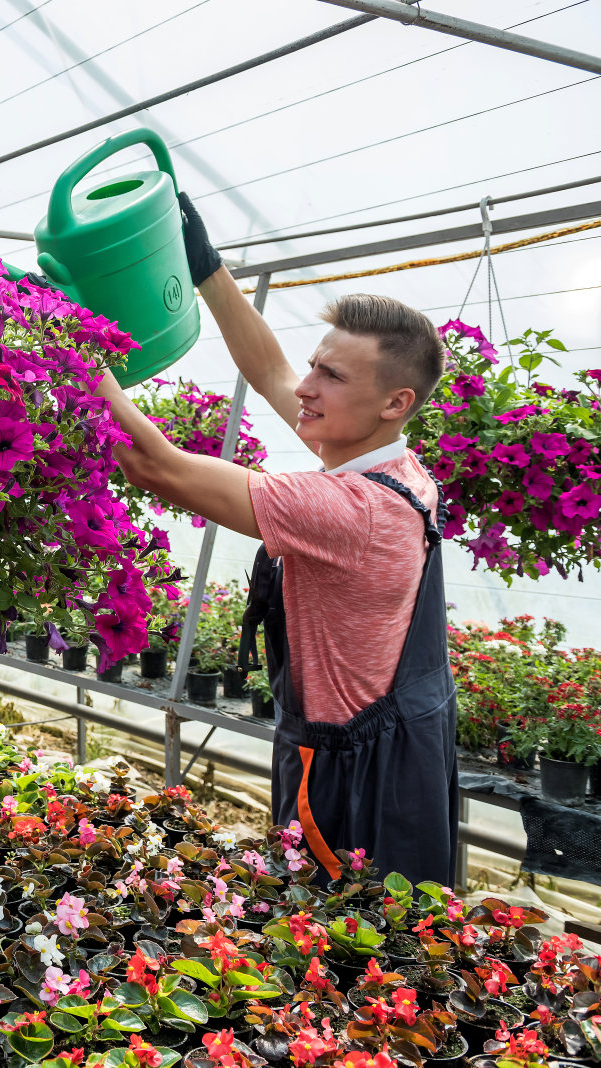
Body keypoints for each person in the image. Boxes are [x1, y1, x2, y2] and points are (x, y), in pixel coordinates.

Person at [86, 194, 457, 887]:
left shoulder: (346, 508)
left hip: (354, 779)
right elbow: (272, 373)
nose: (305, 388)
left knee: (347, 948)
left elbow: (151, 464)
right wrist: (208, 270)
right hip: (399, 746)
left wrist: (57, 334)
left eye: (332, 377)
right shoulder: (396, 466)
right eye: (317, 365)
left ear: (394, 402)